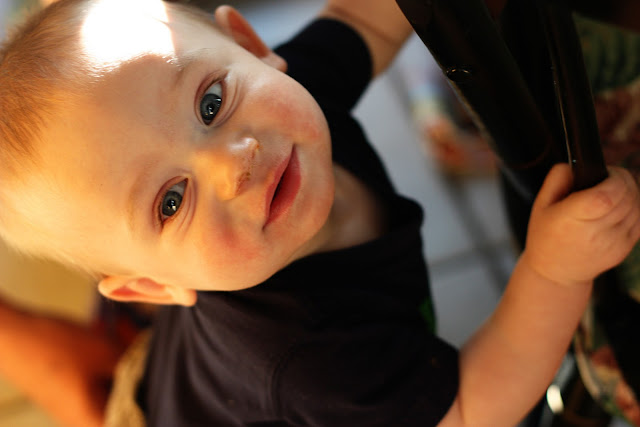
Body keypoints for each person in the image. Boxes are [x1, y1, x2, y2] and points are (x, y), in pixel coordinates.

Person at [1, 0, 640, 425]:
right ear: (155, 287)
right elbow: (470, 408)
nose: (233, 162)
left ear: (251, 45)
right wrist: (553, 271)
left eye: (209, 104)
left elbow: (365, 19)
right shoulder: (309, 358)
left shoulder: (282, 97)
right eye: (171, 200)